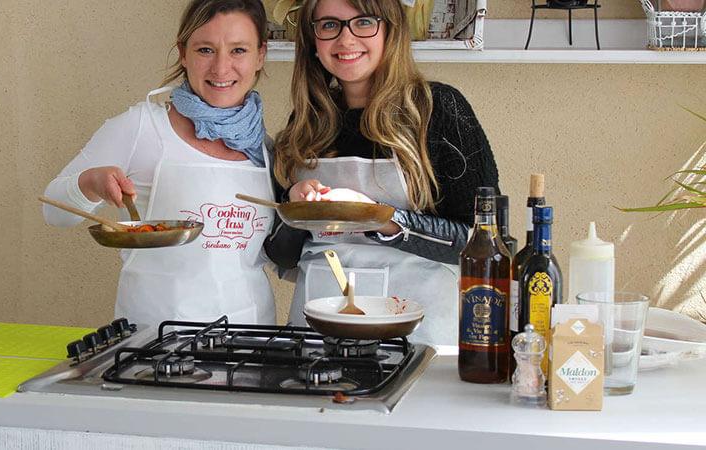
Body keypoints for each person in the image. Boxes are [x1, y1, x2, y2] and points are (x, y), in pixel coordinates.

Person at [265, 0, 500, 346]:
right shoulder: (307, 124)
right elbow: (281, 255)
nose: (346, 40)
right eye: (329, 25)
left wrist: (379, 219)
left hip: (420, 336)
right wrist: (294, 211)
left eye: (363, 22)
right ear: (313, 41)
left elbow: (485, 243)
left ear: (391, 30)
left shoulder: (437, 110)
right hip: (318, 336)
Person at [43, 0, 276, 328]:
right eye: (205, 50)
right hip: (155, 340)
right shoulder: (141, 128)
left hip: (251, 339)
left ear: (260, 55)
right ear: (183, 53)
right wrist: (91, 184)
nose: (222, 69)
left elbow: (279, 258)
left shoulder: (266, 148)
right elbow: (53, 212)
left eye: (238, 50)